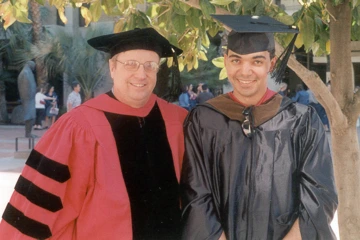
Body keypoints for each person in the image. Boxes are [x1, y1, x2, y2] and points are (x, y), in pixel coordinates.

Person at [0, 28, 187, 239]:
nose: (141, 74)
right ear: (113, 68)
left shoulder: (179, 121)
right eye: (131, 64)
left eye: (150, 66)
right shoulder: (78, 127)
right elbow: (41, 208)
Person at [181, 15, 338, 240]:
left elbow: (320, 195)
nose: (245, 71)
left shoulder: (301, 120)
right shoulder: (204, 120)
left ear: (271, 64)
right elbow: (196, 194)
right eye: (236, 60)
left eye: (256, 61)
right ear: (225, 61)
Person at [17, 61, 37, 137]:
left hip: (30, 98)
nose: (34, 68)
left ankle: (28, 133)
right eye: (34, 66)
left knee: (31, 116)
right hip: (28, 98)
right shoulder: (25, 73)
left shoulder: (28, 72)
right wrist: (28, 97)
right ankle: (28, 133)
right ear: (30, 65)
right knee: (30, 116)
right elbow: (24, 88)